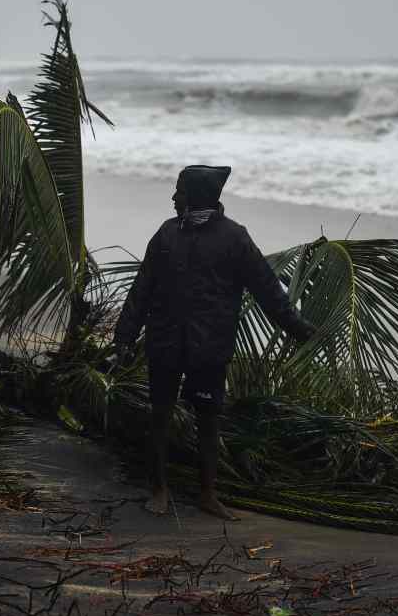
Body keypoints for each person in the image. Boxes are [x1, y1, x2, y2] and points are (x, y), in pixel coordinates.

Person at [113, 165, 315, 520]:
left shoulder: (235, 238)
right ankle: (159, 489)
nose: (174, 198)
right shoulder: (166, 234)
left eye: (179, 192)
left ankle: (207, 494)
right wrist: (124, 335)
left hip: (209, 347)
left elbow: (268, 289)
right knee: (159, 415)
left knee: (208, 419)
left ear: (194, 197)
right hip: (165, 341)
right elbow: (141, 289)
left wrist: (297, 327)